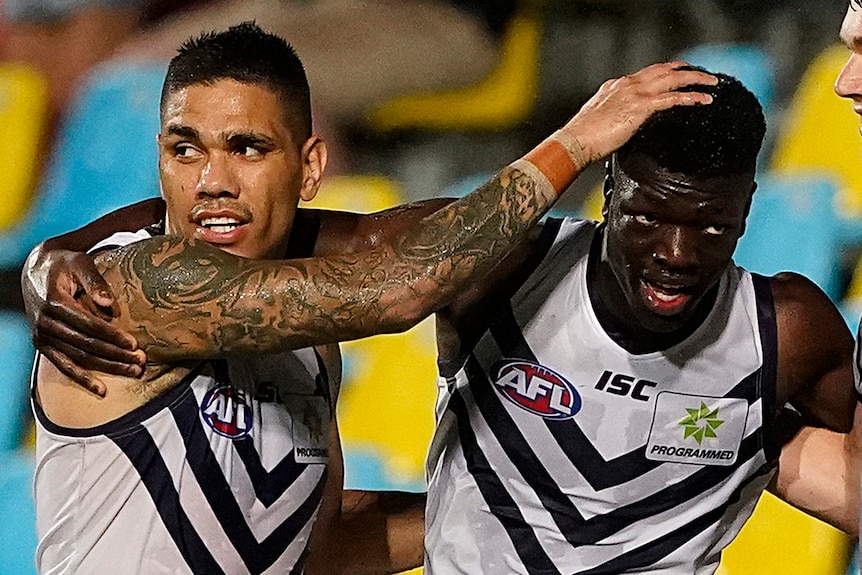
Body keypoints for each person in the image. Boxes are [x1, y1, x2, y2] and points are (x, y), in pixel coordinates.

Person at [24, 21, 719, 575]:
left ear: (310, 167)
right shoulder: (132, 287)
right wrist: (578, 140)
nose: (212, 180)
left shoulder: (308, 337)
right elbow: (399, 288)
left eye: (246, 148)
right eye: (186, 150)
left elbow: (314, 546)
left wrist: (522, 513)